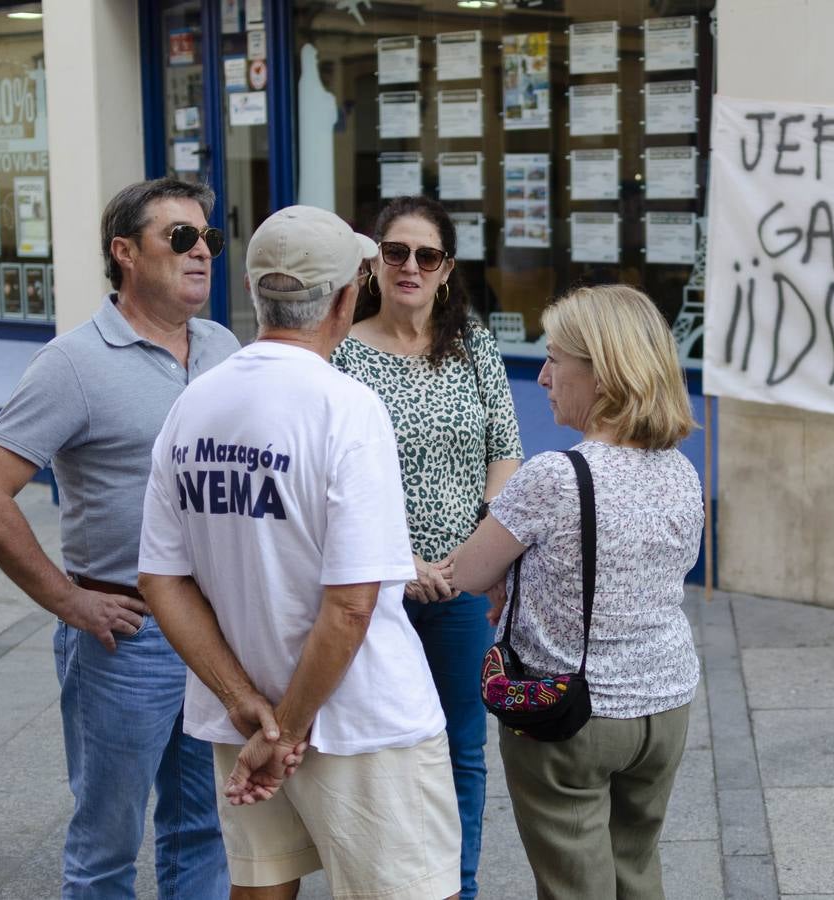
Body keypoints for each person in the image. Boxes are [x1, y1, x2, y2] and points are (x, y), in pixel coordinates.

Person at [137, 205, 461, 900]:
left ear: (256, 293)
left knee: (260, 890)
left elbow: (162, 579)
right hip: (362, 721)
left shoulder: (193, 404)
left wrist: (246, 703)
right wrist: (285, 730)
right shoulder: (346, 406)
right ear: (346, 299)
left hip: (245, 714)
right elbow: (350, 604)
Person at [0, 178, 238, 898]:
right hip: (126, 639)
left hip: (215, 634)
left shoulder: (222, 346)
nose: (201, 253)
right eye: (179, 238)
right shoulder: (73, 363)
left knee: (204, 833)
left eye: (208, 239)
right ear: (124, 253)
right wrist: (68, 602)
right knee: (107, 845)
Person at [453, 284, 703, 900]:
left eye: (555, 359)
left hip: (569, 712)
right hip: (665, 702)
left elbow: (467, 572)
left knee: (575, 887)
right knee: (636, 871)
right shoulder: (680, 468)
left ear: (603, 373)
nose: (542, 376)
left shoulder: (554, 476)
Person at [330, 195, 521, 900]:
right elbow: (331, 478)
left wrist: (478, 546)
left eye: (427, 255)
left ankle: (456, 887)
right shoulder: (342, 352)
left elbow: (506, 450)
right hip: (373, 588)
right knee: (376, 752)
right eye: (396, 252)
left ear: (447, 269)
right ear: (375, 262)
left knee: (462, 750)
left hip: (461, 585)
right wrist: (396, 562)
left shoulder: (472, 344)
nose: (410, 266)